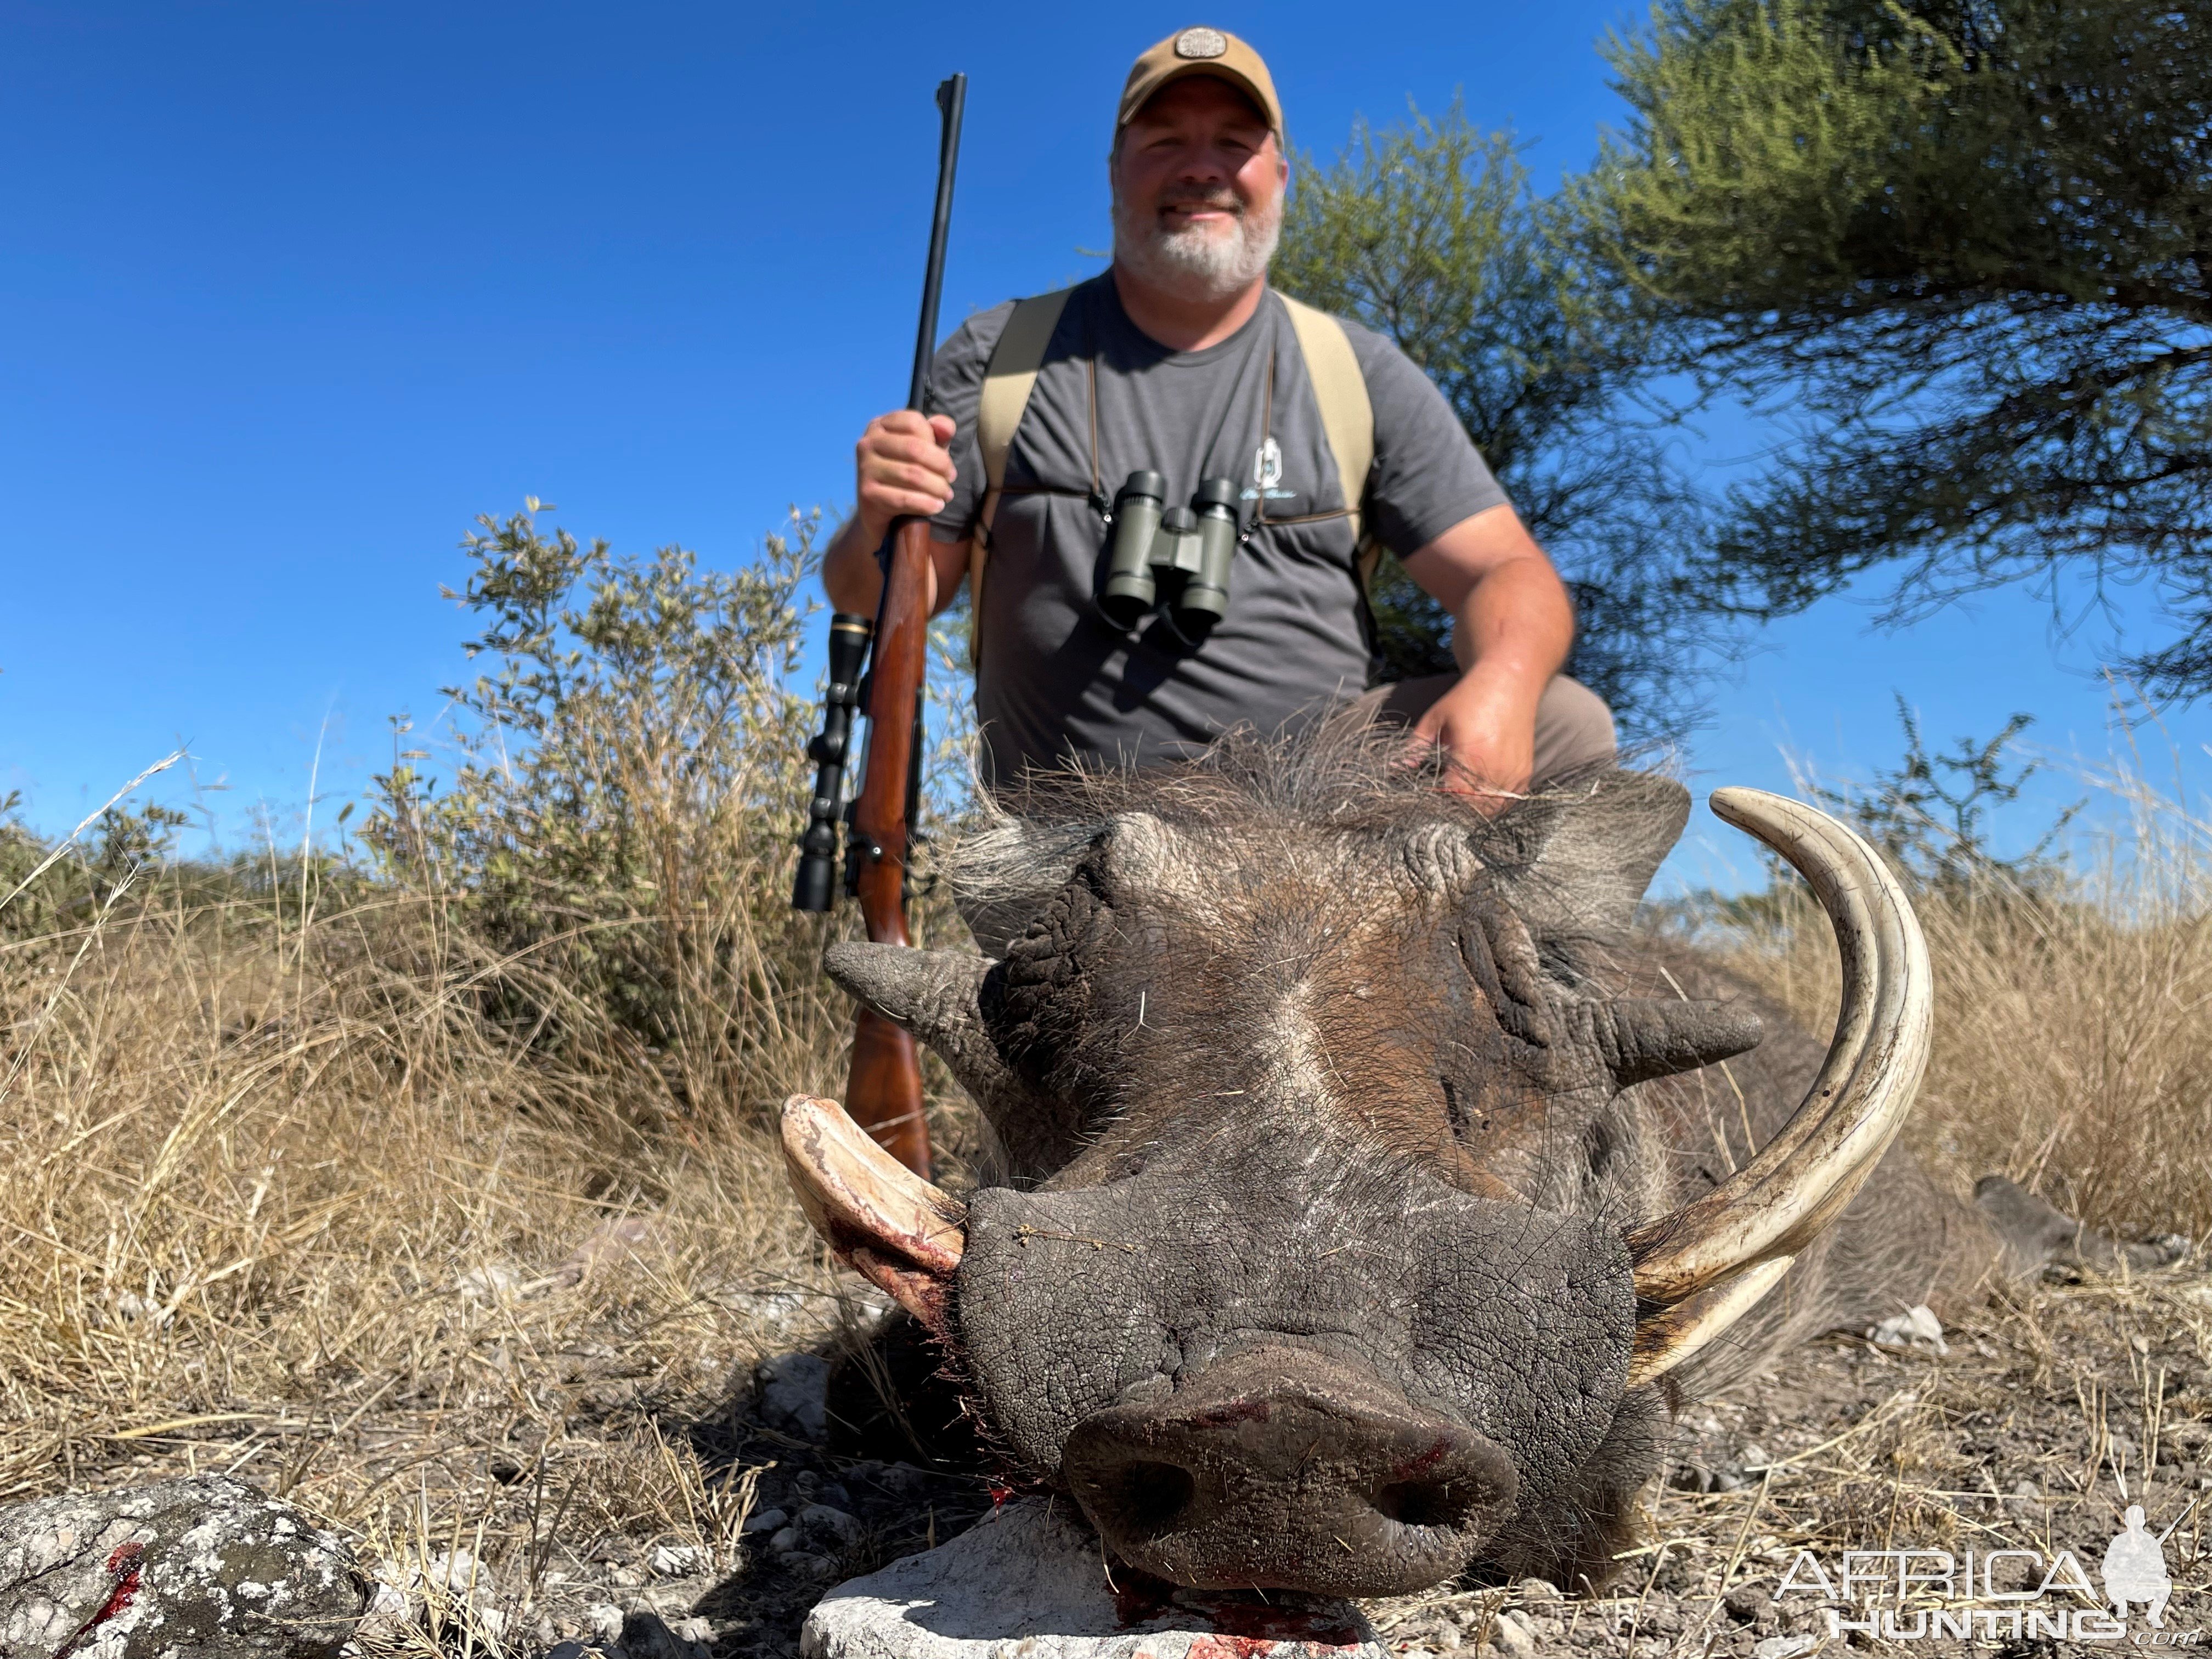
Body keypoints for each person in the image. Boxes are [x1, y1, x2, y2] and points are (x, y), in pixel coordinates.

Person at [821, 26, 1615, 802]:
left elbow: (1509, 572)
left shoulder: (1359, 369)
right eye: (1164, 142)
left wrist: (1504, 686)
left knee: (1565, 727)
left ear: (1280, 172)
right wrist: (875, 522)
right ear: (1113, 172)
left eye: (1234, 142)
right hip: (1066, 851)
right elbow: (880, 594)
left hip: (1315, 830)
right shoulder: (1000, 352)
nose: (1202, 168)